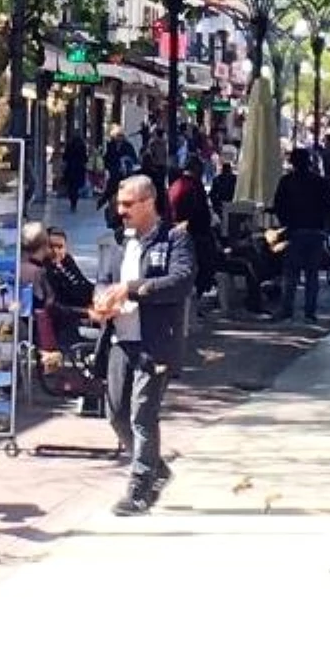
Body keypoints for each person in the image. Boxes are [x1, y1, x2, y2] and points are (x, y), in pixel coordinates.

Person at [92, 175, 195, 516]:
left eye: (127, 205)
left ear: (148, 203)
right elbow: (104, 281)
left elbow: (180, 282)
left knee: (142, 414)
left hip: (155, 343)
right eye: (118, 204)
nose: (120, 211)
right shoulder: (117, 242)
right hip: (121, 340)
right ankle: (157, 469)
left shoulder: (175, 239)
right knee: (117, 414)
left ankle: (139, 488)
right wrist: (102, 301)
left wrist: (132, 289)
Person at [269, 149, 330, 323]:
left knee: (291, 273)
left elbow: (278, 205)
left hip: (295, 231)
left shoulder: (287, 182)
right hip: (315, 231)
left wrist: (286, 223)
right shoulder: (319, 182)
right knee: (312, 274)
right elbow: (328, 205)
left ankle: (287, 308)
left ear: (292, 163)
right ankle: (310, 311)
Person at [168, 158, 216, 302]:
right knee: (203, 266)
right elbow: (198, 212)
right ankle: (193, 300)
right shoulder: (193, 185)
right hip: (193, 234)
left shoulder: (176, 184)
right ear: (197, 170)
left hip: (178, 231)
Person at [60, 131, 89, 212]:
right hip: (78, 169)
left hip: (70, 169)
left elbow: (65, 157)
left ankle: (72, 201)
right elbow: (85, 158)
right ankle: (74, 203)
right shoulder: (82, 145)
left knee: (71, 186)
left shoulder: (69, 145)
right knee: (75, 187)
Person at [209, 151, 237, 216]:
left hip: (224, 205)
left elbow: (212, 194)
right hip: (229, 205)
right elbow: (212, 194)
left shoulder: (217, 179)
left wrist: (216, 205)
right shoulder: (235, 179)